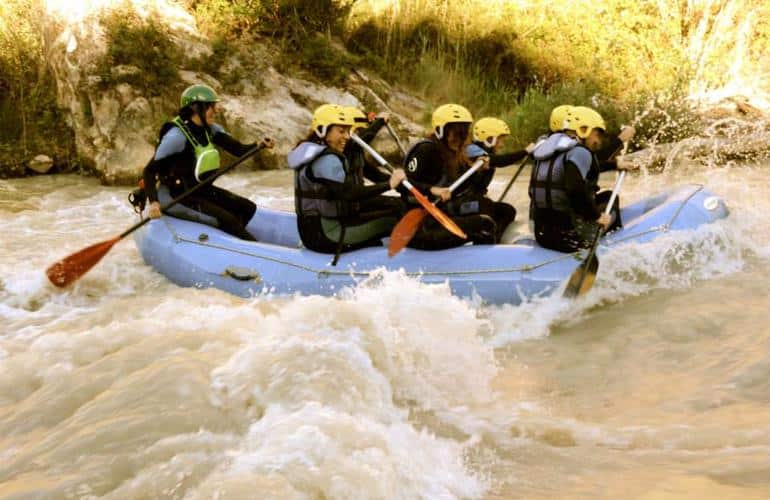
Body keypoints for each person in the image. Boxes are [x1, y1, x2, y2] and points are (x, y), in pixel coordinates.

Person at [142, 84, 258, 240]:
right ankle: (241, 241)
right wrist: (154, 203)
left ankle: (231, 240)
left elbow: (239, 150)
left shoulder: (210, 129)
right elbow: (149, 171)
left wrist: (260, 145)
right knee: (226, 219)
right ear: (196, 109)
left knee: (247, 208)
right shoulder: (176, 137)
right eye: (212, 106)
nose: (216, 110)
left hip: (200, 190)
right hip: (176, 195)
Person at [288, 104, 406, 257]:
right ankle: (413, 260)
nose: (347, 136)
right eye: (341, 131)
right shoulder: (326, 159)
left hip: (314, 233)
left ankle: (378, 250)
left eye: (348, 131)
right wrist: (389, 185)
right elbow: (348, 193)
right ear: (323, 131)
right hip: (327, 235)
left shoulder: (312, 151)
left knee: (391, 210)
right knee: (396, 219)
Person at [528, 106, 630, 253]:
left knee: (606, 196)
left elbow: (532, 192)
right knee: (611, 201)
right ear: (584, 130)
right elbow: (574, 189)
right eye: (597, 135)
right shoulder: (579, 151)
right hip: (569, 237)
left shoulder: (544, 151)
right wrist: (596, 216)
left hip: (542, 234)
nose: (598, 141)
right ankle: (610, 248)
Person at [399, 103, 496, 250]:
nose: (459, 138)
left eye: (463, 133)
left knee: (492, 211)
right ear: (440, 131)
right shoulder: (426, 150)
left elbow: (459, 188)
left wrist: (480, 170)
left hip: (440, 218)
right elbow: (402, 184)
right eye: (456, 133)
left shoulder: (453, 154)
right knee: (485, 225)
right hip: (420, 227)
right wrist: (431, 190)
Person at [463, 117, 530, 239]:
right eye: (499, 140)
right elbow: (500, 161)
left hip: (475, 198)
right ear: (489, 139)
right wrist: (525, 151)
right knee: (496, 209)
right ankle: (488, 239)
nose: (502, 144)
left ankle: (493, 237)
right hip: (463, 202)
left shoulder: (482, 151)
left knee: (507, 210)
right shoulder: (472, 150)